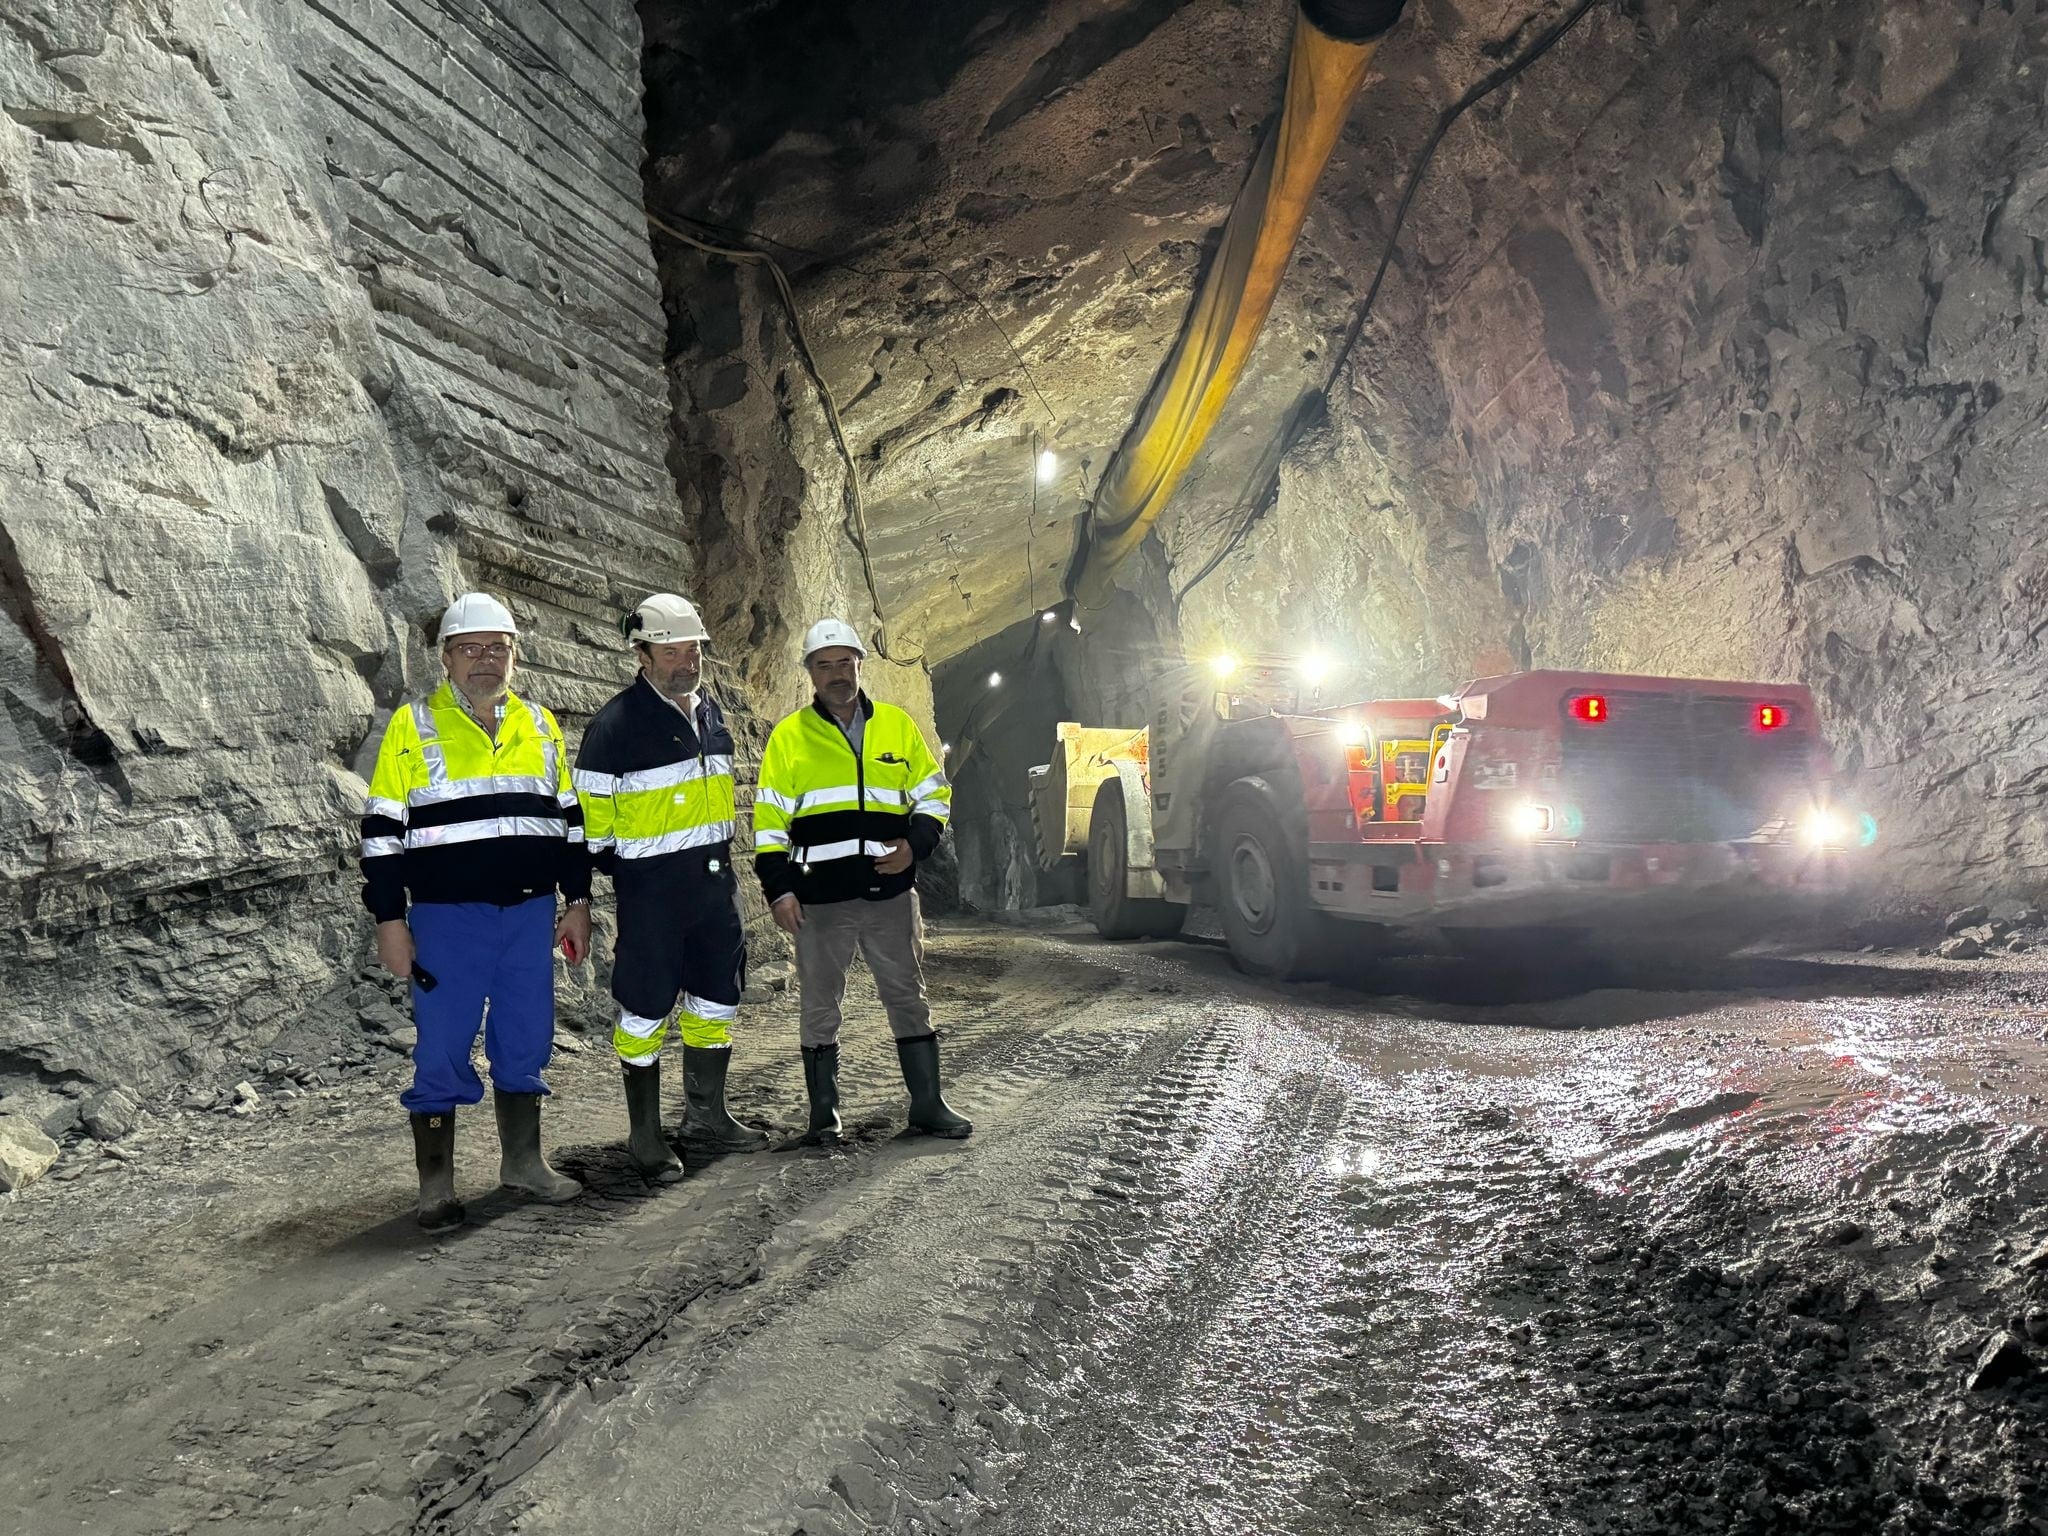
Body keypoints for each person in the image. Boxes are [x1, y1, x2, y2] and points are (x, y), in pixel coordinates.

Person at [359, 593, 590, 1232]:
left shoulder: (541, 726)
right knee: (442, 1048)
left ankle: (522, 1163)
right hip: (446, 919)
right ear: (446, 659)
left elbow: (571, 827)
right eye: (470, 649)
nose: (484, 661)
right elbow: (381, 834)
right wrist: (388, 919)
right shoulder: (413, 726)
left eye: (498, 649)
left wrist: (578, 903)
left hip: (528, 915)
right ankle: (436, 1187)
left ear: (515, 656)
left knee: (526, 1039)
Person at [753, 618, 971, 1143]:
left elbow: (933, 796)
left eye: (844, 663)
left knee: (908, 996)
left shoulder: (896, 726)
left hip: (889, 895)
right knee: (820, 1004)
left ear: (859, 665)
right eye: (823, 664)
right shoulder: (790, 737)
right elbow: (768, 823)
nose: (835, 674)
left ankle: (928, 1105)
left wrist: (913, 847)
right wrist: (779, 890)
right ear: (810, 672)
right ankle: (822, 1116)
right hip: (819, 900)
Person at [575, 593, 768, 1181]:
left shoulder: (710, 714)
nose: (687, 660)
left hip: (714, 887)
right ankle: (646, 1135)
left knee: (716, 999)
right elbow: (590, 826)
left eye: (693, 648)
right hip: (654, 894)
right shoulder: (615, 725)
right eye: (672, 649)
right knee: (645, 1008)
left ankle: (706, 1117)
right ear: (641, 653)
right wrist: (631, 872)